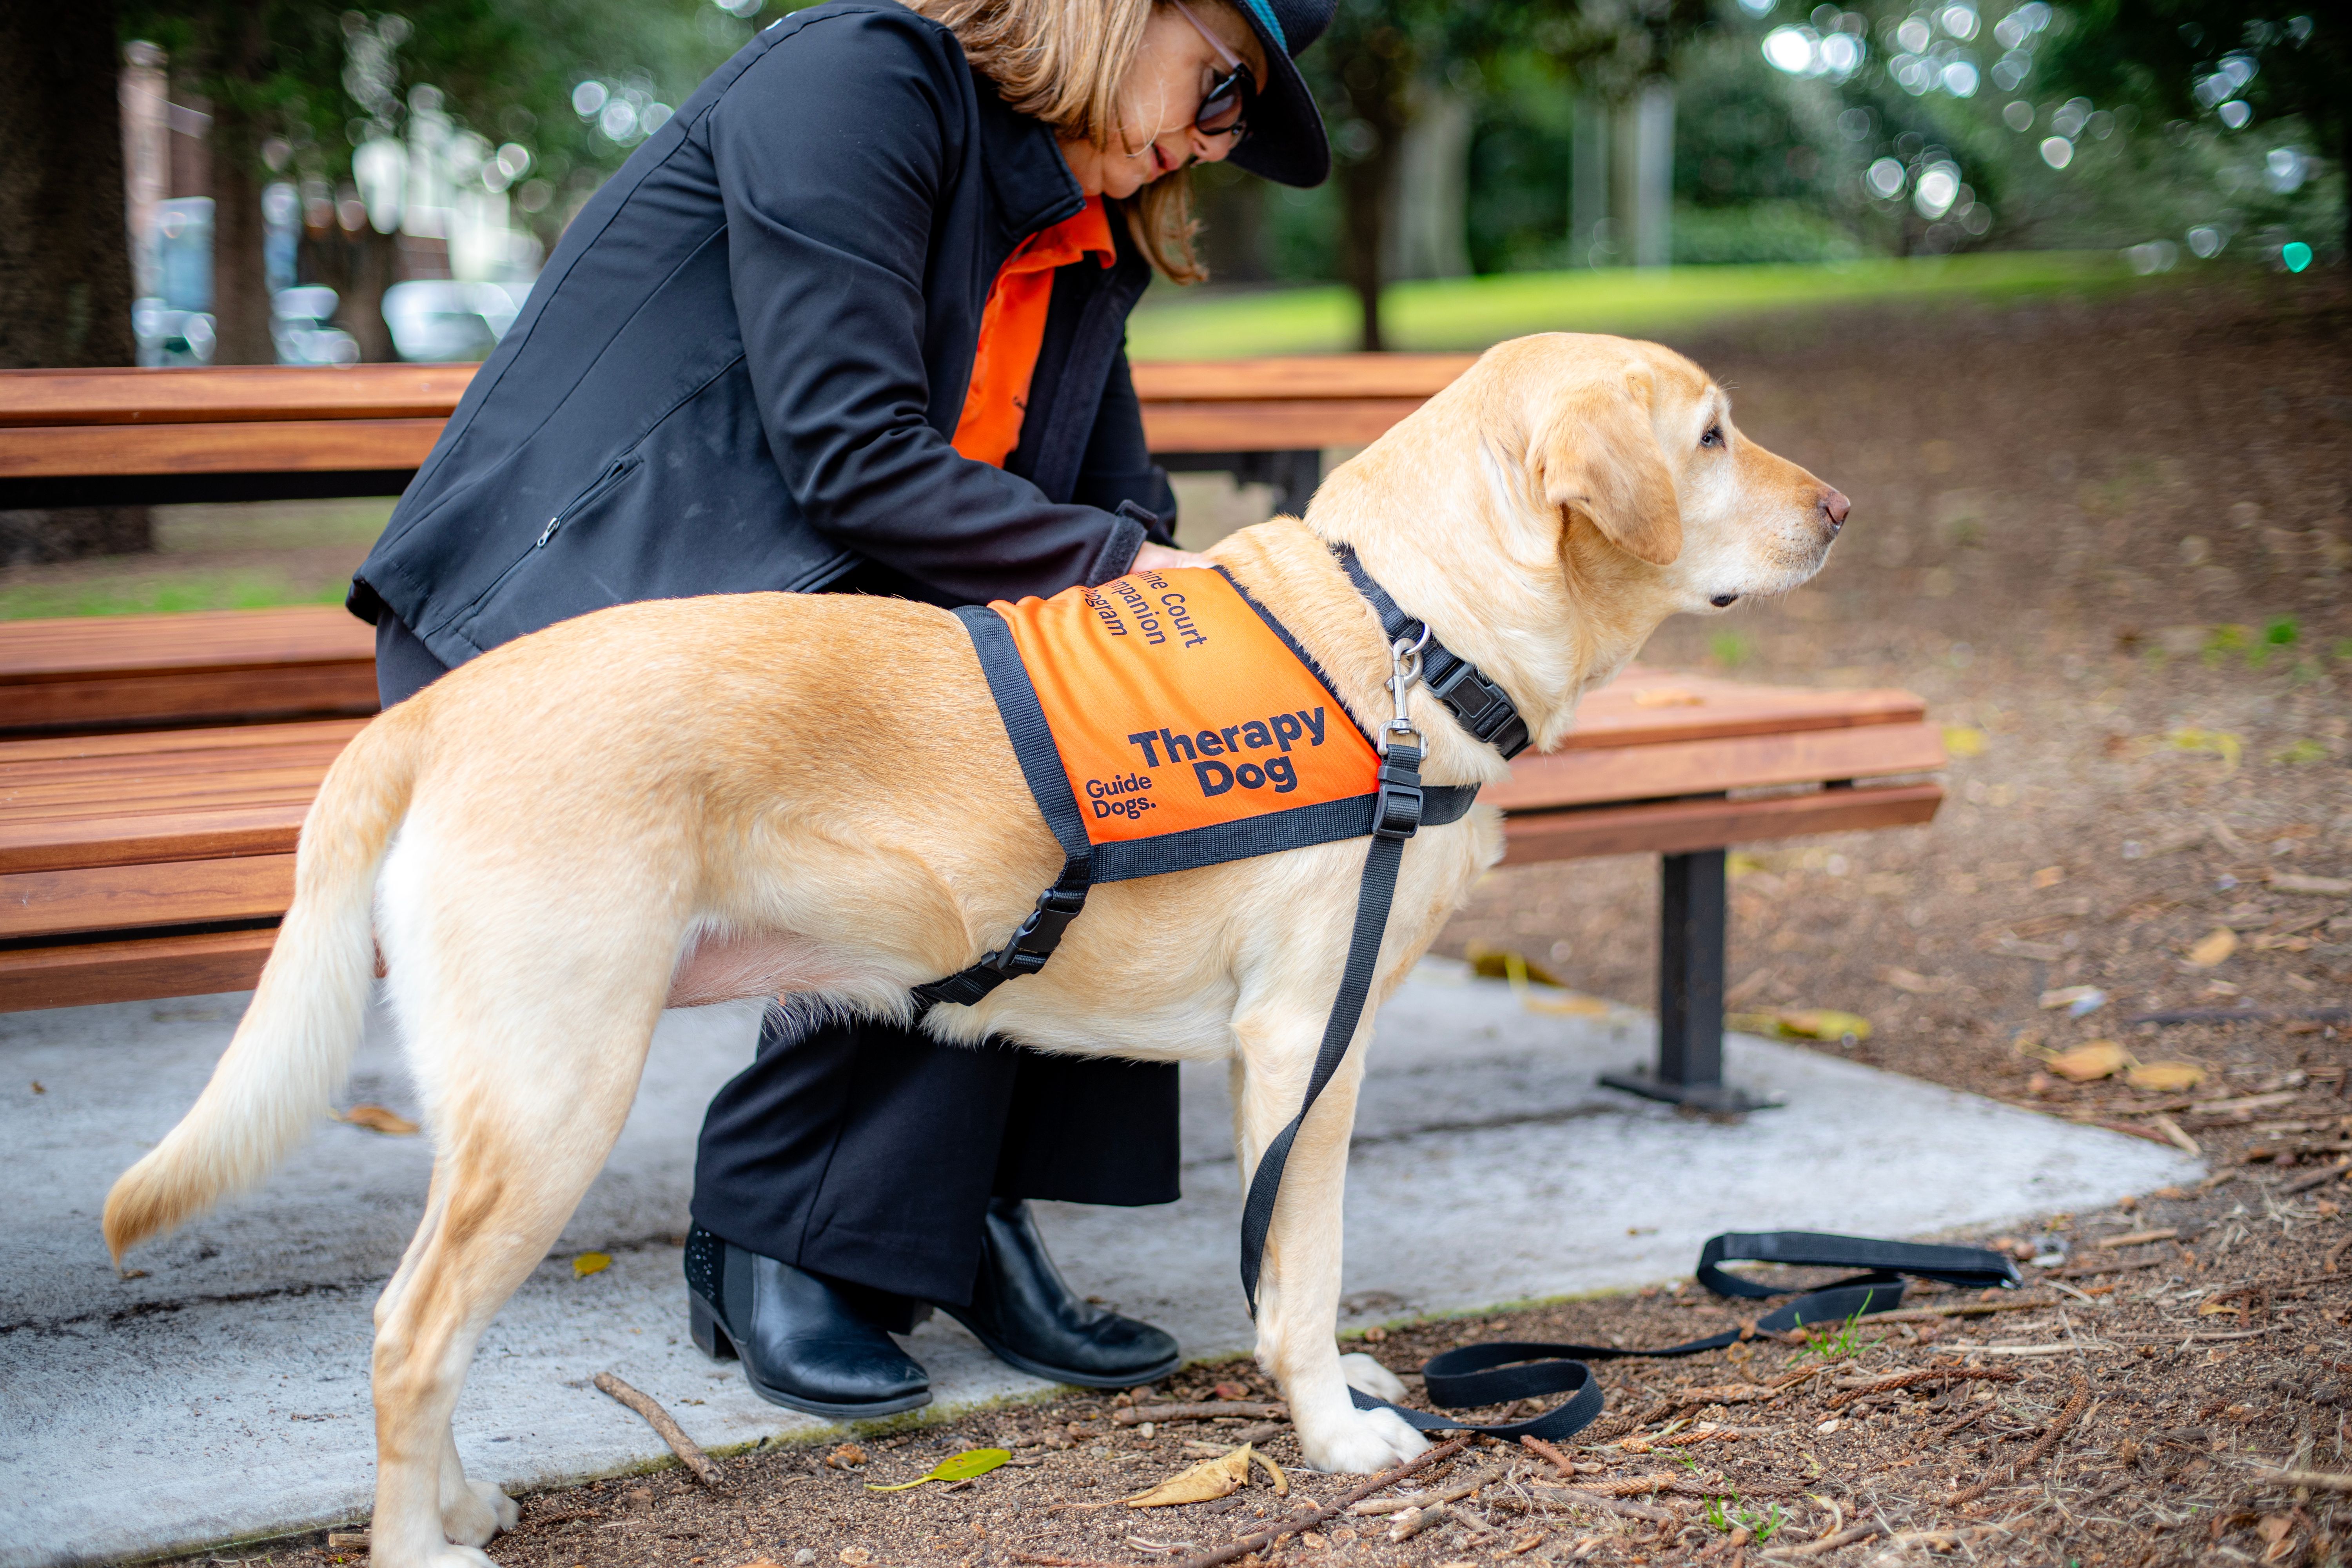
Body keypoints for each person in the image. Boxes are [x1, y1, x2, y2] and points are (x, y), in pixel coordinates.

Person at [347, 0, 1338, 1417]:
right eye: (1226, 83)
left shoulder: (1070, 217)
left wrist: (1158, 592)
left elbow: (1113, 490)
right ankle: (779, 1224)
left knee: (1142, 720)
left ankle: (958, 1208)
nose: (1214, 136)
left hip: (813, 632)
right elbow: (850, 451)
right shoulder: (861, 79)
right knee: (981, 756)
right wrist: (1139, 571)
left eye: (1238, 119)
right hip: (572, 644)